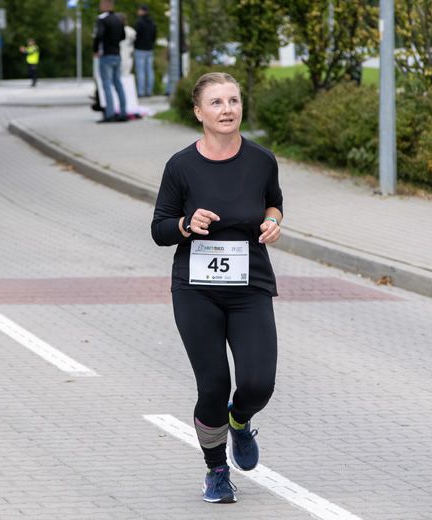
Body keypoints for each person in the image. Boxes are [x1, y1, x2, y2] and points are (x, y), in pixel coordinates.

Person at [151, 72, 283, 504]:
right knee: (212, 385)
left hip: (250, 286)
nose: (227, 110)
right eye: (216, 103)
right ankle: (216, 471)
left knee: (258, 382)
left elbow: (273, 201)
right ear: (198, 112)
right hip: (196, 289)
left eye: (233, 101)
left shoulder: (262, 160)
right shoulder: (181, 166)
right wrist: (187, 225)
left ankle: (240, 422)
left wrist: (273, 222)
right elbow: (159, 229)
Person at [93, 0, 127, 123]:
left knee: (107, 85)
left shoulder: (102, 19)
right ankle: (123, 113)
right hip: (117, 54)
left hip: (106, 54)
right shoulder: (118, 19)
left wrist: (95, 49)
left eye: (101, 4)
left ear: (105, 5)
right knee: (118, 84)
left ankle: (110, 114)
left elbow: (99, 35)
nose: (100, 6)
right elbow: (123, 36)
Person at [133, 4, 156, 97]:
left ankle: (141, 92)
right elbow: (154, 36)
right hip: (149, 49)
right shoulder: (152, 23)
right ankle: (149, 91)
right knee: (150, 71)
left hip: (140, 49)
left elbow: (135, 36)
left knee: (140, 71)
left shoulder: (139, 23)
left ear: (142, 11)